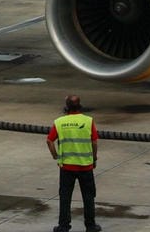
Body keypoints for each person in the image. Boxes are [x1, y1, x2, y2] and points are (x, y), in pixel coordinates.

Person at [46, 94, 100, 232]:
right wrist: (94, 158)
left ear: (66, 107)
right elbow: (94, 142)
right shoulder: (88, 121)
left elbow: (49, 140)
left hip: (67, 167)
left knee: (65, 197)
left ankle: (63, 226)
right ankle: (90, 225)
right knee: (88, 196)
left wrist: (55, 156)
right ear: (80, 105)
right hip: (85, 166)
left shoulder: (59, 122)